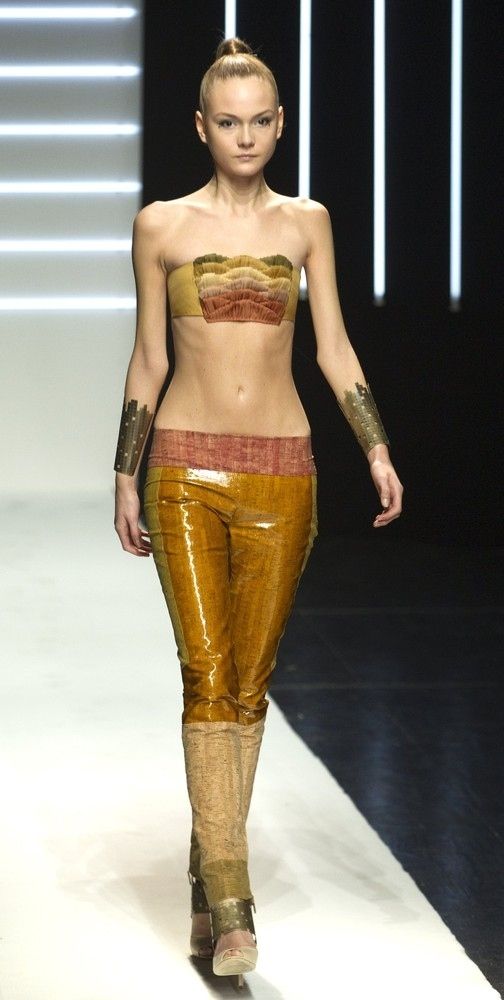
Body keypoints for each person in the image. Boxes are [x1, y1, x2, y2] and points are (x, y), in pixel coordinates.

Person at [113, 36, 403, 984]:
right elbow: (150, 357)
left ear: (280, 125)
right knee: (206, 672)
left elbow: (334, 347)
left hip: (284, 473)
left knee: (247, 683)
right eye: (227, 122)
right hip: (183, 471)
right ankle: (235, 904)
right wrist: (124, 472)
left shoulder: (307, 223)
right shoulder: (160, 226)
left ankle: (209, 870)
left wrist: (375, 446)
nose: (244, 136)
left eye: (259, 121)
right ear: (201, 127)